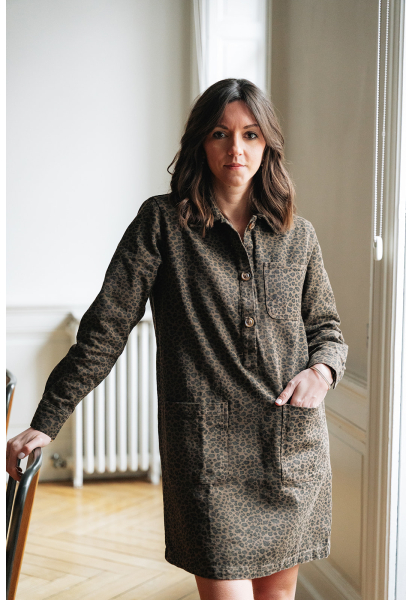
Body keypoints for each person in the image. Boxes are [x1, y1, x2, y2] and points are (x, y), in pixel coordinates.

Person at [6, 78, 348, 600]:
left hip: (288, 450)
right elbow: (106, 328)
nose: (236, 149)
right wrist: (46, 420)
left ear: (268, 145)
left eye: (251, 135)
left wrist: (322, 371)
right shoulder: (162, 223)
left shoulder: (297, 235)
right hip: (207, 455)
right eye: (220, 133)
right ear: (200, 143)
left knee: (278, 596)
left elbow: (327, 329)